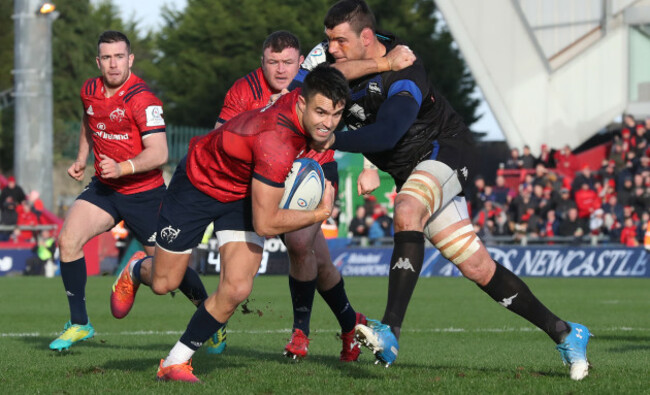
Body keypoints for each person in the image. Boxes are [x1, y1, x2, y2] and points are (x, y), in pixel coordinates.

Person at [317, 0, 591, 380]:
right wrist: (365, 161)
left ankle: (390, 330)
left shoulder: (406, 71)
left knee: (407, 208)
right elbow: (324, 77)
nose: (332, 48)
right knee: (478, 267)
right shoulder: (359, 62)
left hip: (446, 152)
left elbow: (388, 132)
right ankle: (565, 332)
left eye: (340, 41)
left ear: (367, 37)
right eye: (329, 40)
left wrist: (331, 142)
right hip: (414, 171)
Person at [151, 65, 347, 382]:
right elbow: (267, 224)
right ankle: (137, 268)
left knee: (238, 287)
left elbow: (340, 74)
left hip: (242, 191)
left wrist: (384, 63)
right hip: (200, 181)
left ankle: (175, 362)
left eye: (336, 114)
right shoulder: (277, 143)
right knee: (163, 283)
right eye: (321, 112)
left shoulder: (303, 96)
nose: (328, 123)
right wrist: (319, 214)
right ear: (301, 103)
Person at [211, 31, 366, 361]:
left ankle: (300, 332)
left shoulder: (312, 86)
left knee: (299, 243)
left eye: (288, 63)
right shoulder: (244, 90)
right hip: (261, 177)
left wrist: (366, 164)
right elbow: (219, 136)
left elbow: (355, 112)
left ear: (301, 64)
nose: (280, 69)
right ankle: (352, 326)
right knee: (319, 262)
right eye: (273, 62)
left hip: (310, 171)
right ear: (262, 61)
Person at [50, 31, 208, 352]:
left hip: (145, 194)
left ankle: (209, 316)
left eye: (119, 56)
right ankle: (80, 323)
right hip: (106, 190)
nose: (112, 63)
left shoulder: (143, 99)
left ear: (130, 59)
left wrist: (122, 167)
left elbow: (159, 152)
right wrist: (82, 159)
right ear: (98, 61)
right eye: (106, 57)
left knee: (168, 278)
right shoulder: (90, 90)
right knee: (68, 241)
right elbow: (88, 119)